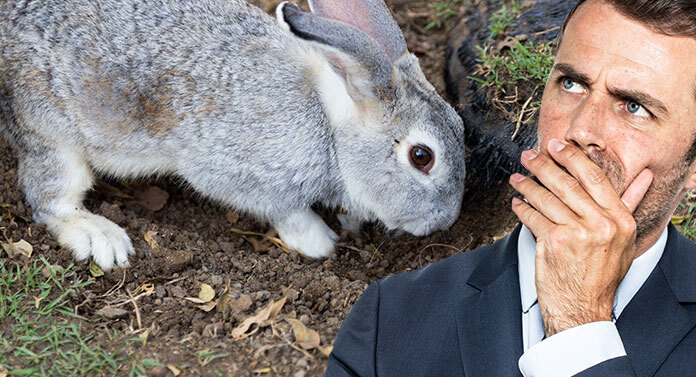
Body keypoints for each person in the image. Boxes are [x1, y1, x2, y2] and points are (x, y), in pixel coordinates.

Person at [324, 0, 696, 376]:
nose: (580, 130)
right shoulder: (387, 322)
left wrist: (579, 326)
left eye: (634, 106)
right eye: (571, 84)